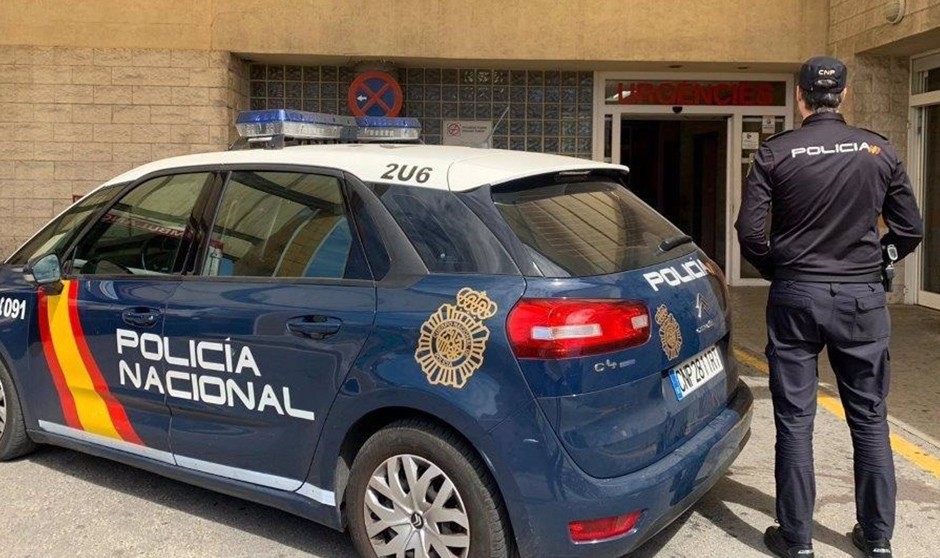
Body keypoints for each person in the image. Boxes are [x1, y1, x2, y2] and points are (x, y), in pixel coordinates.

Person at [735, 56, 924, 558]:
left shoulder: (776, 154)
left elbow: (749, 233)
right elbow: (910, 229)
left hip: (796, 294)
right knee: (868, 416)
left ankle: (796, 541)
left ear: (800, 97)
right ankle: (878, 539)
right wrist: (877, 259)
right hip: (861, 299)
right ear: (845, 94)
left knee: (796, 420)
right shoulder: (877, 150)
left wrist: (780, 268)